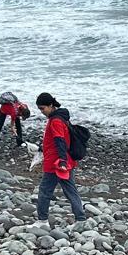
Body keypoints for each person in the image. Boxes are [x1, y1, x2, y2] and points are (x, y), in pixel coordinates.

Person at [34, 93, 87, 223]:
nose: (42, 112)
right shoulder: (62, 117)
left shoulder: (55, 121)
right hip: (67, 161)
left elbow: (60, 141)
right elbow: (59, 139)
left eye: (42, 108)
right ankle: (80, 219)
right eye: (40, 109)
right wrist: (43, 147)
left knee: (45, 191)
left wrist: (62, 160)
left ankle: (42, 221)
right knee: (70, 190)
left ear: (51, 105)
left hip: (56, 163)